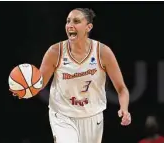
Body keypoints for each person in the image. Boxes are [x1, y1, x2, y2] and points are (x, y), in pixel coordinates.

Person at [30, 8, 130, 143]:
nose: (70, 25)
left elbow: (121, 88)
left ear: (89, 27)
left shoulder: (102, 52)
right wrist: (24, 88)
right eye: (68, 21)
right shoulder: (55, 52)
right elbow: (39, 84)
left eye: (76, 21)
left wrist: (124, 109)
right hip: (62, 115)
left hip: (92, 115)